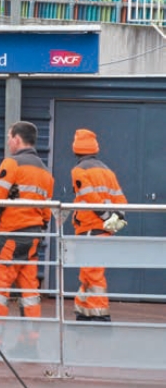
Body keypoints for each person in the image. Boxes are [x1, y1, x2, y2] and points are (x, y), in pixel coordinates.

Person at [0, 121, 54, 319]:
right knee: (29, 289)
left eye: (8, 138)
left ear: (17, 139)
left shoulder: (11, 163)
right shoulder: (46, 172)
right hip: (33, 236)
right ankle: (30, 342)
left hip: (9, 235)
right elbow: (46, 210)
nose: (8, 142)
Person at [69, 128, 128, 322]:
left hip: (89, 227)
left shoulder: (79, 171)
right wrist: (116, 218)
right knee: (88, 271)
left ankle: (100, 315)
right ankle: (84, 311)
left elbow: (90, 197)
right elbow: (121, 200)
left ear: (76, 149)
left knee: (92, 273)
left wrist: (105, 217)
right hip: (103, 230)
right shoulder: (107, 171)